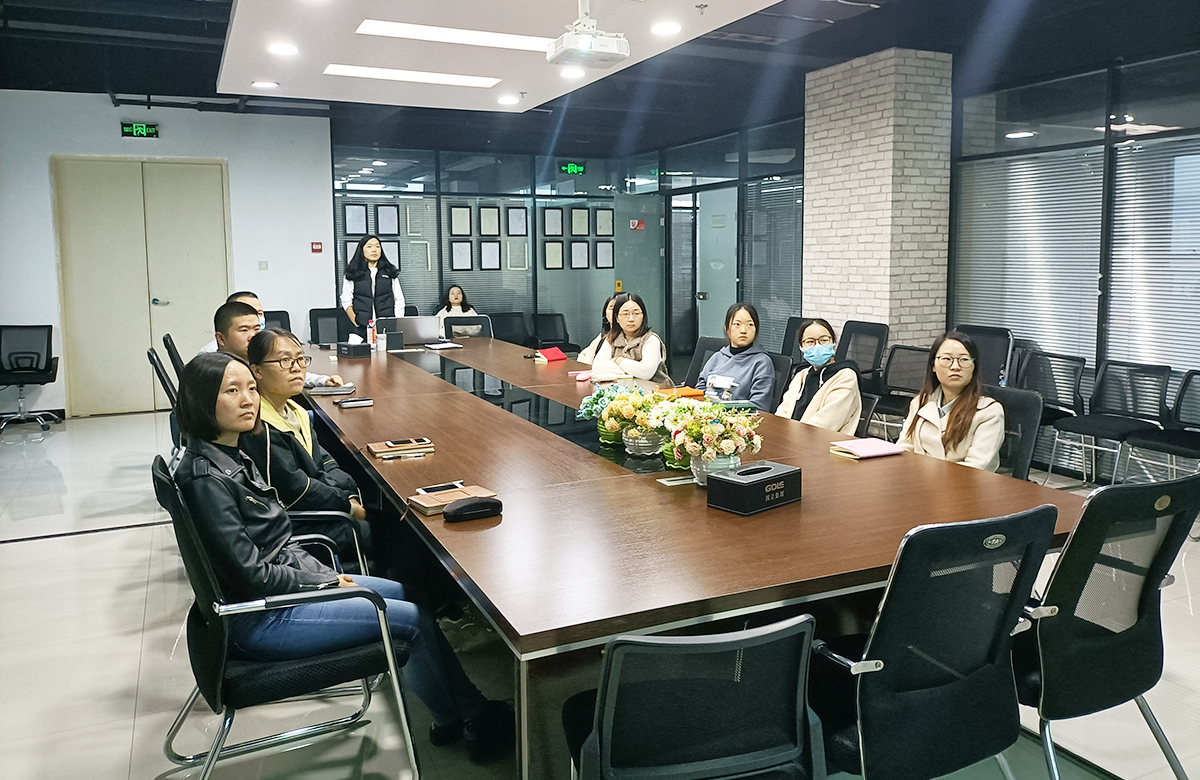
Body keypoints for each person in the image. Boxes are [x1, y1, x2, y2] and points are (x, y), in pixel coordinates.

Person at [173, 351, 513, 761]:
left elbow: (276, 542)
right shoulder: (206, 479)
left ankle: (460, 713)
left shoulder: (229, 453)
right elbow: (251, 573)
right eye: (232, 391)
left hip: (283, 589)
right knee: (409, 619)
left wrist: (321, 575)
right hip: (262, 617)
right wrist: (325, 580)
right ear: (200, 400)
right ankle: (464, 715)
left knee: (408, 594)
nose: (248, 399)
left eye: (250, 388)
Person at [241, 328, 370, 560]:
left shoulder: (296, 410)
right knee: (387, 527)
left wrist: (347, 492)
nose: (296, 367)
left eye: (300, 359)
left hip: (321, 505)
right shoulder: (260, 427)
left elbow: (323, 459)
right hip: (296, 527)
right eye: (285, 361)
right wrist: (347, 504)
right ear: (257, 370)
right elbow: (296, 490)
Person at [899, 330, 1005, 471]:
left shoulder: (989, 412)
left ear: (974, 366)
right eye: (947, 359)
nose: (955, 367)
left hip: (966, 483)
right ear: (933, 365)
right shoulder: (920, 402)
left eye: (964, 360)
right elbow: (904, 449)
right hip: (918, 479)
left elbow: (976, 467)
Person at [201, 291, 343, 387]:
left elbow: (283, 372)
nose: (252, 335)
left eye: (259, 313)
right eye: (244, 330)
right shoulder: (209, 364)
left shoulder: (258, 346)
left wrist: (322, 380)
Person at [774, 318, 862, 434]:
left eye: (824, 340)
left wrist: (789, 436)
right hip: (790, 438)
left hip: (823, 442)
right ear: (801, 347)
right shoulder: (801, 376)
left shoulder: (845, 377)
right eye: (810, 342)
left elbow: (825, 424)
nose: (817, 346)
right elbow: (782, 413)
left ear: (833, 342)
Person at [695, 302, 775, 410]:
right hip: (706, 416)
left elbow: (758, 406)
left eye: (750, 325)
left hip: (739, 418)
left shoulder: (761, 363)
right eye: (737, 324)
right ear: (727, 329)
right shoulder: (716, 357)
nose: (743, 331)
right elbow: (699, 392)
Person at [590, 292, 672, 391]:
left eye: (636, 313)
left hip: (656, 393)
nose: (631, 319)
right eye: (625, 314)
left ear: (643, 316)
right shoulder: (611, 339)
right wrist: (634, 370)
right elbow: (598, 367)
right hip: (621, 392)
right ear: (617, 318)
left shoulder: (651, 339)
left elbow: (646, 373)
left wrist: (618, 360)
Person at [341, 236, 404, 342]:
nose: (374, 250)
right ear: (362, 250)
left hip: (386, 327)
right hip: (361, 328)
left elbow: (399, 300)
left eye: (377, 246)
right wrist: (355, 320)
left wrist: (396, 322)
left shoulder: (389, 272)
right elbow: (346, 299)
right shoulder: (353, 272)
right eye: (369, 246)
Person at [577, 295, 616, 365]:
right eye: (612, 308)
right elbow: (584, 355)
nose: (615, 312)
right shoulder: (602, 336)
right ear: (605, 314)